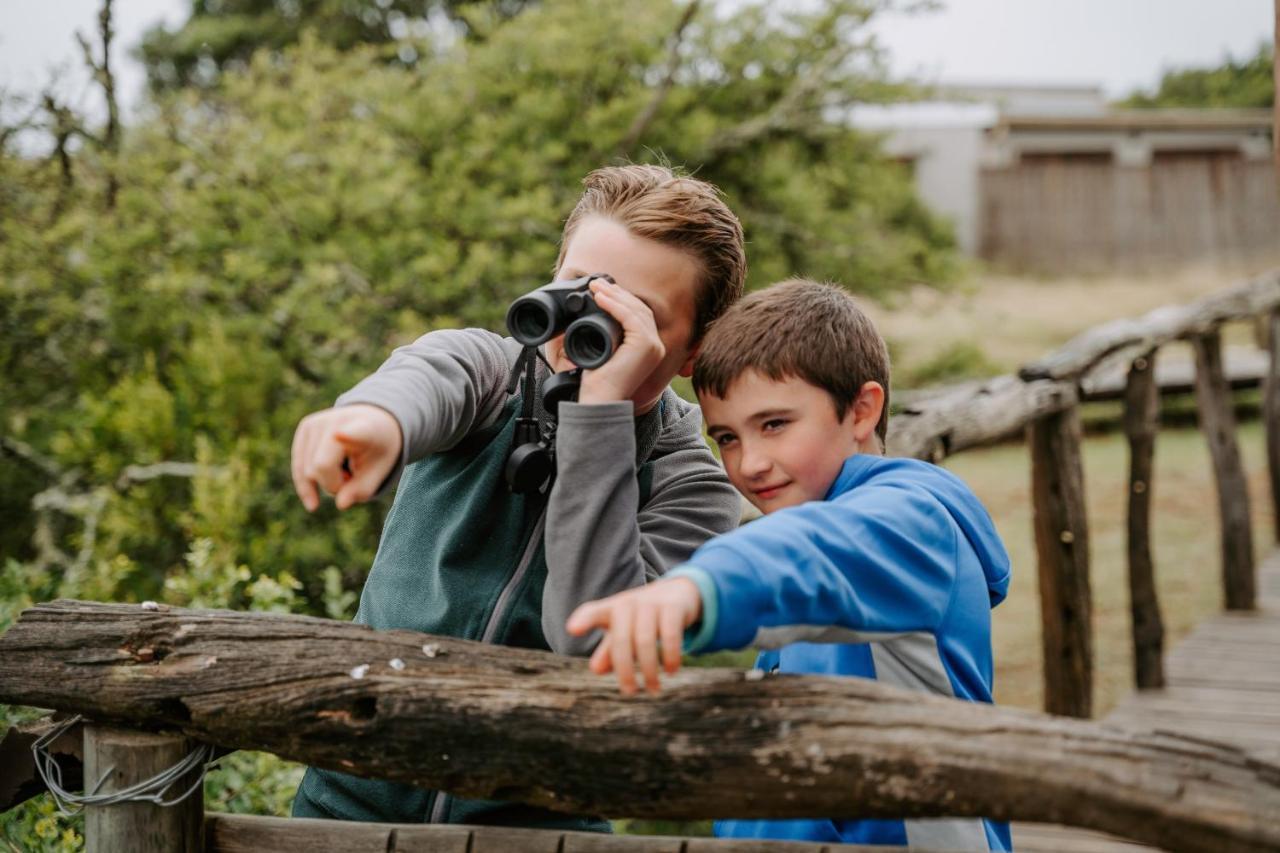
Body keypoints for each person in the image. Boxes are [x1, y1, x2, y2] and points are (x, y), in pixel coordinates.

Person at [288, 164, 748, 830]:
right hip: (351, 805)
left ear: (692, 351)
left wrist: (601, 413)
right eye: (579, 287)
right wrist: (374, 420)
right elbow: (428, 378)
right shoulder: (488, 372)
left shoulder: (692, 482)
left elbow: (588, 635)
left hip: (543, 829)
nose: (591, 318)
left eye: (638, 313)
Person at [567, 279, 1013, 851]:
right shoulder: (823, 524)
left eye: (774, 424)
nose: (749, 463)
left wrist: (698, 587)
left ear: (861, 410)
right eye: (726, 437)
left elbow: (814, 552)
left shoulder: (912, 522)